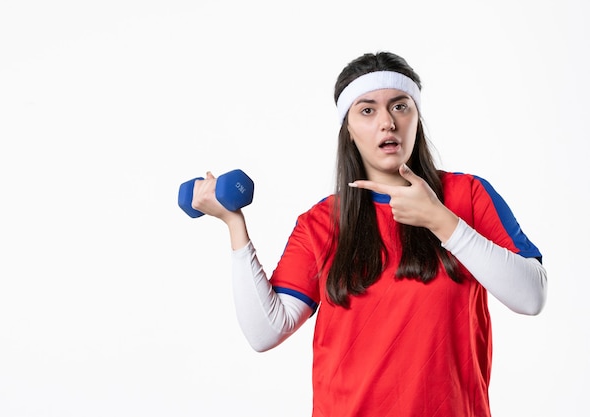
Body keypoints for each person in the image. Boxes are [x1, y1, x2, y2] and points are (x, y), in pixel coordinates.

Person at [190, 51, 547, 417]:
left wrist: (441, 220)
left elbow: (531, 296)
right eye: (367, 110)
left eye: (400, 106)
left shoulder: (467, 196)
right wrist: (235, 225)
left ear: (416, 118)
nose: (387, 123)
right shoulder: (321, 222)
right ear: (348, 127)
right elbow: (266, 331)